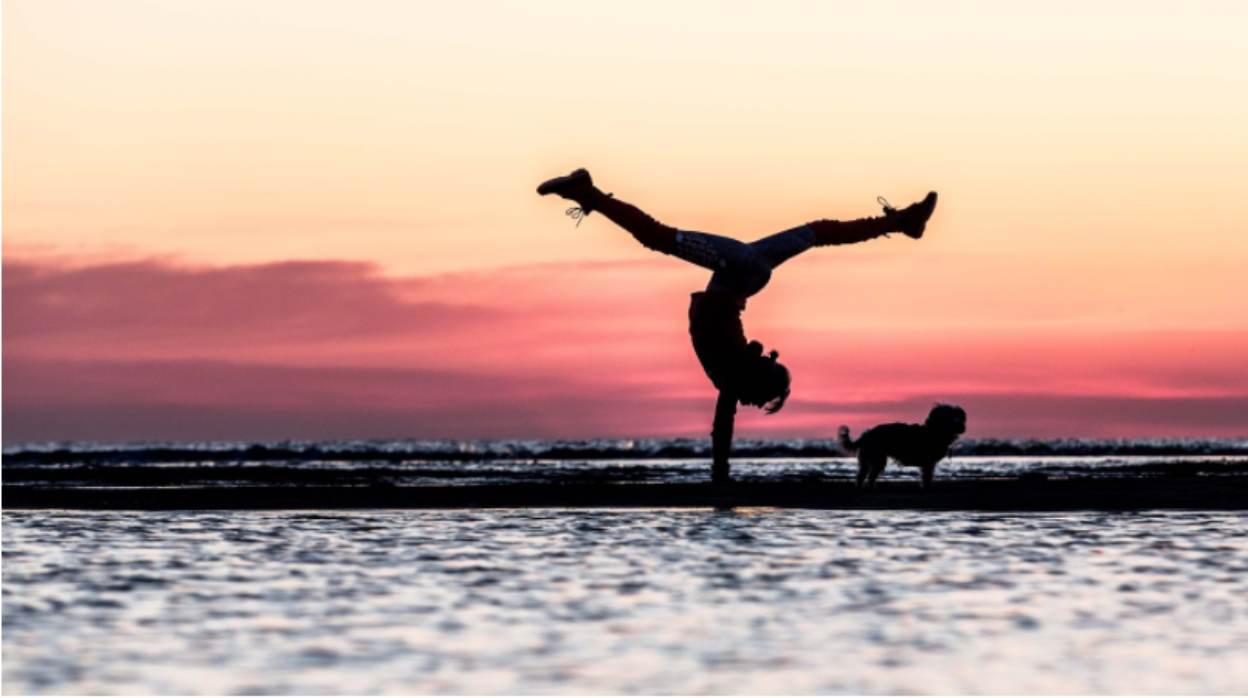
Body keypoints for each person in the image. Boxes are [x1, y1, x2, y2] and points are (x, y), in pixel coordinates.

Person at [537, 168, 937, 484]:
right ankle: (586, 192)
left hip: (748, 275)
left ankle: (904, 222)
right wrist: (720, 476)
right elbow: (721, 428)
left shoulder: (739, 369)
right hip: (739, 269)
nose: (750, 405)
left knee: (818, 233)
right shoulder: (734, 374)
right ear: (758, 383)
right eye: (760, 399)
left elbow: (727, 417)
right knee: (658, 237)